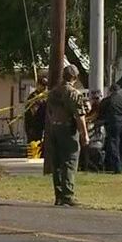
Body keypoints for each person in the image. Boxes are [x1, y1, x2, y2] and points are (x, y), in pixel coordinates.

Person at [45, 65, 89, 207]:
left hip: (54, 129)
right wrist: (84, 135)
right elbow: (79, 116)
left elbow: (50, 112)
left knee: (56, 163)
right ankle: (68, 195)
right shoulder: (73, 93)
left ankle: (58, 195)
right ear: (74, 78)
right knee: (69, 162)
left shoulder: (52, 92)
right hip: (68, 130)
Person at [99, 83, 122, 173]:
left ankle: (116, 168)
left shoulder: (107, 100)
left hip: (114, 123)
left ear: (110, 91)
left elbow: (100, 114)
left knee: (114, 145)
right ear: (119, 91)